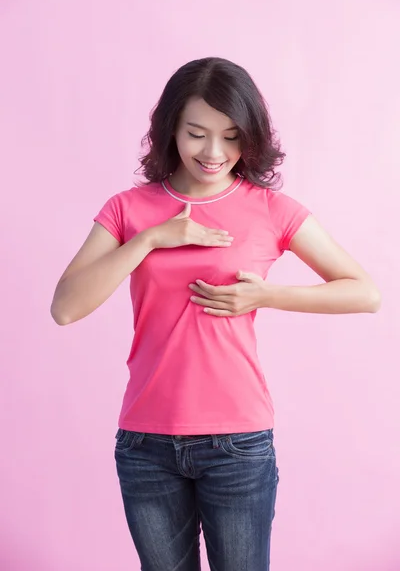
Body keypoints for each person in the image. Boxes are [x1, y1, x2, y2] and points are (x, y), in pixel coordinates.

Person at [50, 57, 381, 571]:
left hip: (238, 442)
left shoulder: (271, 209)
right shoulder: (127, 209)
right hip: (146, 442)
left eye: (230, 136)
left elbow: (365, 292)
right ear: (170, 131)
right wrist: (152, 238)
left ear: (249, 136)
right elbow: (65, 308)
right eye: (196, 133)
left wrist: (265, 296)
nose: (213, 152)